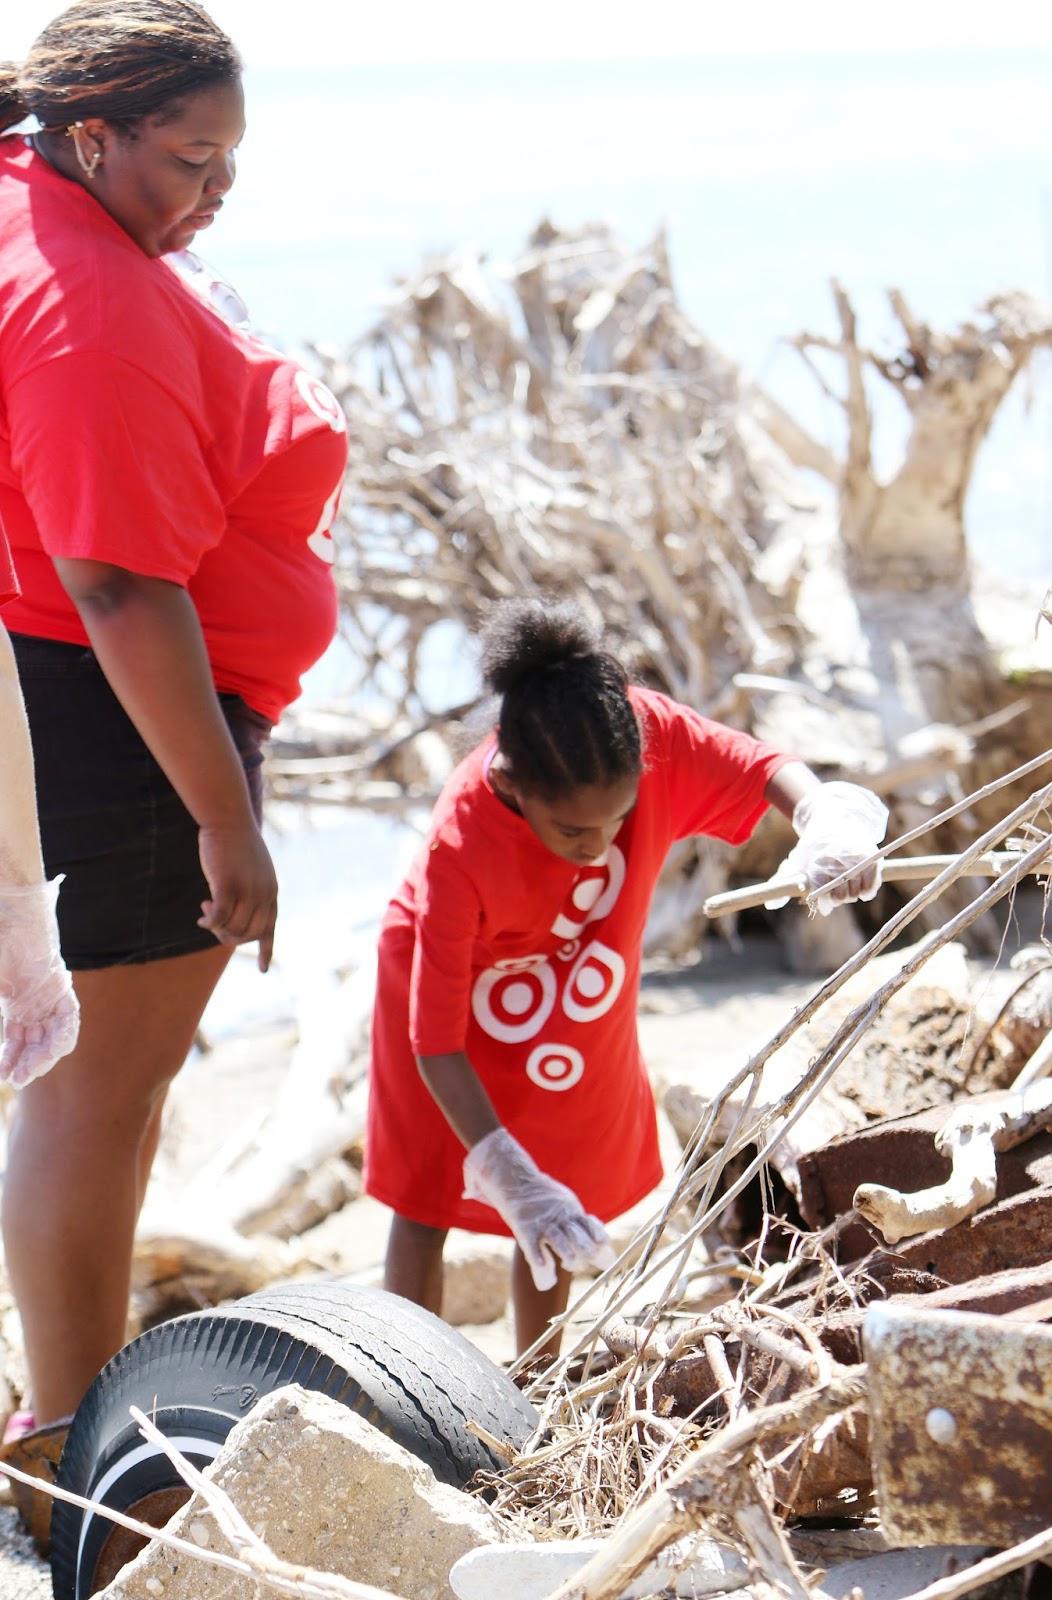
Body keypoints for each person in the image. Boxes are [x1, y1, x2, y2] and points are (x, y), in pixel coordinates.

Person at [0, 0, 349, 1433]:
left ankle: (59, 1410)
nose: (217, 194)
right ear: (92, 134)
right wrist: (226, 821)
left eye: (232, 163)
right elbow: (123, 589)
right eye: (192, 161)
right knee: (102, 1094)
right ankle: (72, 1435)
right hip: (123, 721)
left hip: (78, 704)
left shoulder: (44, 213)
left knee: (89, 1086)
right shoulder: (86, 304)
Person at [363, 597, 888, 1358]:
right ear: (511, 785)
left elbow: (767, 768)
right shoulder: (461, 846)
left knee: (559, 1184)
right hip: (442, 992)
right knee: (431, 1193)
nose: (598, 844)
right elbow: (437, 1044)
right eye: (573, 830)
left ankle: (533, 1379)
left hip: (570, 971)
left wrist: (826, 820)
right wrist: (504, 1173)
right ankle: (403, 1379)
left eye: (618, 820)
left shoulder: (641, 734)